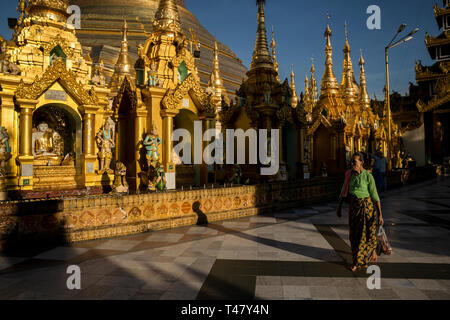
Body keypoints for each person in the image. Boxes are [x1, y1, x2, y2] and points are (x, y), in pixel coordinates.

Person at [336, 152, 384, 272]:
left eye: (355, 162)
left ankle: (364, 257)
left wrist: (380, 215)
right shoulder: (349, 174)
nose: (352, 164)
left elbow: (375, 196)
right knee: (355, 236)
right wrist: (339, 207)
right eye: (351, 161)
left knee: (368, 234)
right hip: (354, 208)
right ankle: (359, 259)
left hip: (367, 208)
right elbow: (343, 190)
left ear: (362, 162)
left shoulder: (368, 176)